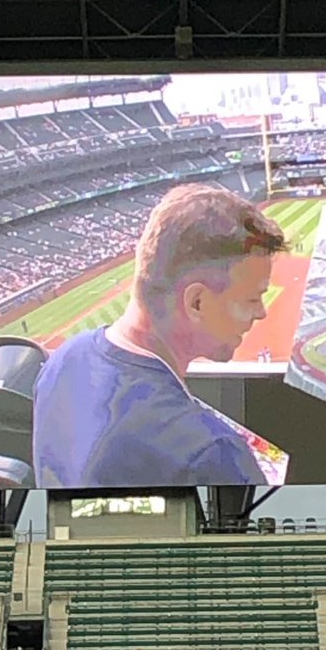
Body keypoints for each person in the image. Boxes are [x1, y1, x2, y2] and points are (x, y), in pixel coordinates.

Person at [32, 186, 289, 487]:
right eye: (251, 299)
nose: (261, 313)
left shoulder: (64, 357)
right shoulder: (209, 452)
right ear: (197, 303)